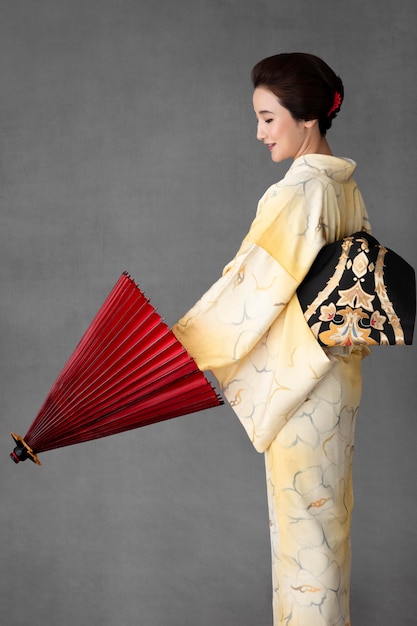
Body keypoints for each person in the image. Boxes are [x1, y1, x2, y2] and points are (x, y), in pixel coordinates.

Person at [172, 52, 371, 626]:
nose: (259, 132)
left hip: (302, 387)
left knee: (303, 540)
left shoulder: (297, 194)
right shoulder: (346, 190)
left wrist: (179, 348)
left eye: (267, 117)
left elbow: (255, 286)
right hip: (334, 379)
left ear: (306, 118)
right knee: (325, 527)